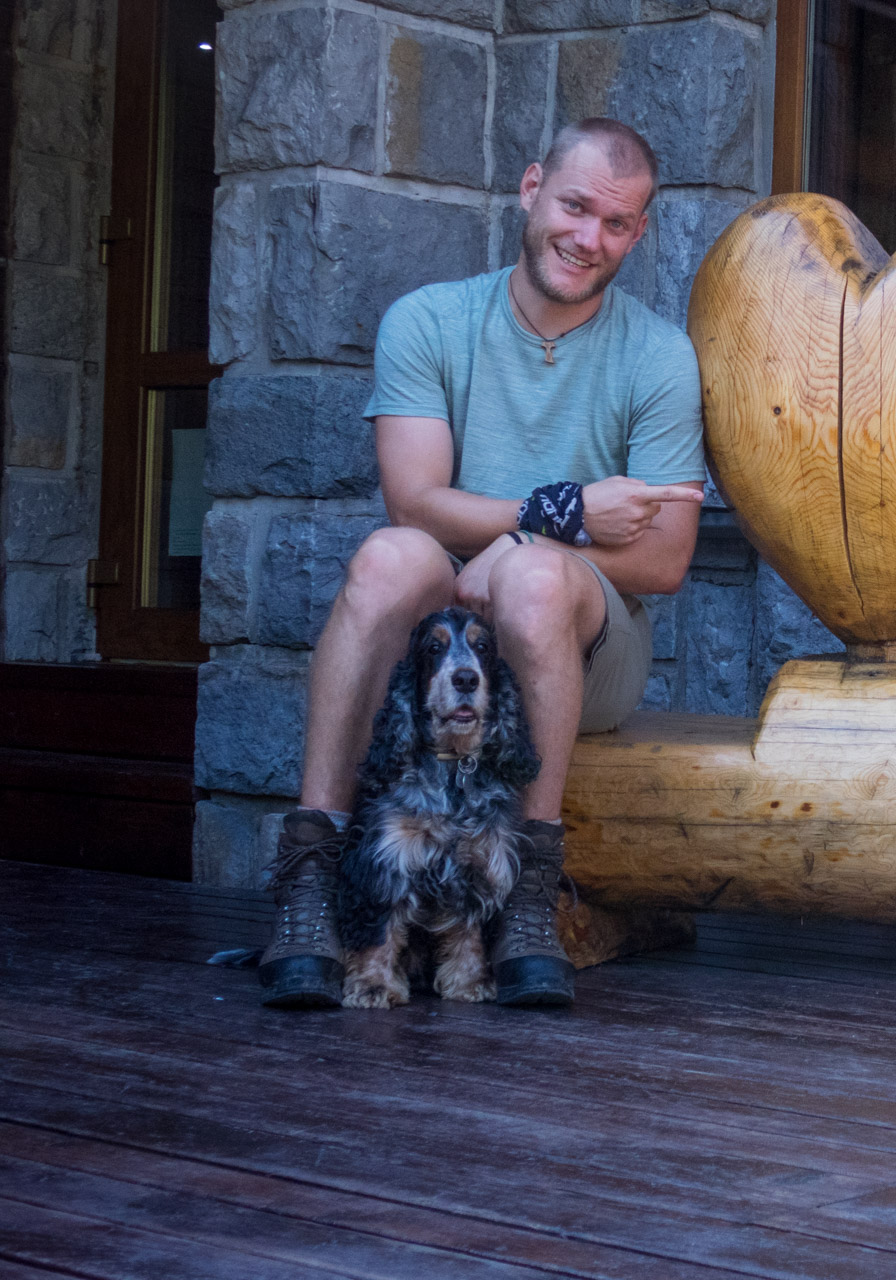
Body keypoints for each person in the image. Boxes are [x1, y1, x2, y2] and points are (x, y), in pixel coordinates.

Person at [257, 117, 707, 1010]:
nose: (589, 239)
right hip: (447, 629)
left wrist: (521, 547)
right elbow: (414, 501)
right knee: (389, 559)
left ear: (640, 231)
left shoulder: (658, 356)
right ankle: (309, 879)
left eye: (617, 224)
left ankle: (529, 899)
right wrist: (564, 510)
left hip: (586, 638)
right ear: (531, 187)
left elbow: (660, 560)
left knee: (532, 582)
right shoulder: (430, 320)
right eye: (576, 207)